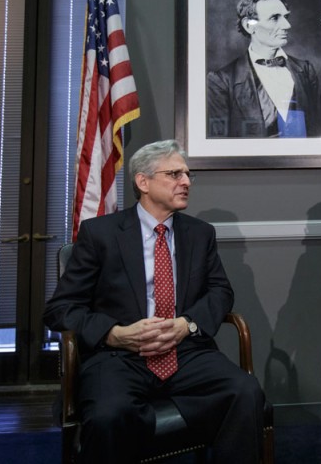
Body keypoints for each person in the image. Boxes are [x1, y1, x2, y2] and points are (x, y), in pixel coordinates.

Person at [44, 139, 265, 463]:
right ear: (143, 182)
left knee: (245, 392)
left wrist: (186, 324)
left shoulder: (199, 233)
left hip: (185, 351)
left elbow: (220, 292)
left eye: (188, 175)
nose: (186, 182)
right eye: (175, 174)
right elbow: (60, 309)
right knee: (108, 415)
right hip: (117, 356)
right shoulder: (100, 234)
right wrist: (115, 333)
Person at [206, 0, 321, 139]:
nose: (287, 25)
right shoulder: (221, 81)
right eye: (275, 18)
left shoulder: (305, 70)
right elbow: (218, 145)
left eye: (286, 17)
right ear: (249, 25)